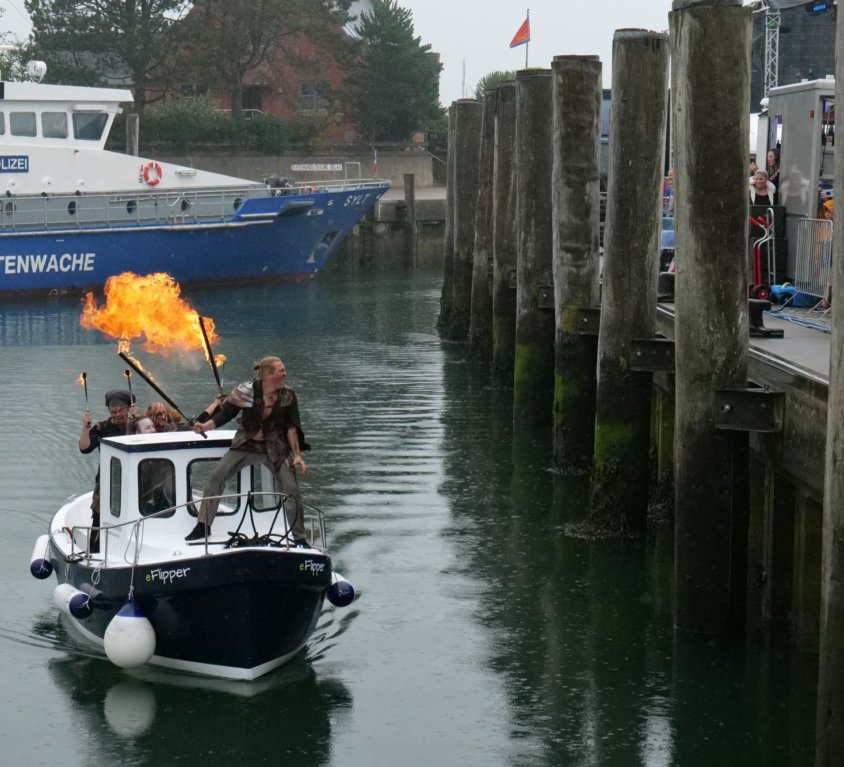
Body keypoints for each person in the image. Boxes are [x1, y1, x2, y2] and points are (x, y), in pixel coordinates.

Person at [185, 356, 309, 544]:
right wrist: (205, 426)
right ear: (268, 374)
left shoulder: (288, 395)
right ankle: (203, 526)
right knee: (217, 476)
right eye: (281, 370)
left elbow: (292, 427)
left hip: (275, 448)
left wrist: (298, 455)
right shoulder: (245, 391)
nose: (285, 373)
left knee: (291, 489)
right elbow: (226, 414)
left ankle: (299, 537)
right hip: (246, 444)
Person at [79, 389, 137, 551]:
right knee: (99, 517)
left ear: (128, 408)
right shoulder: (102, 427)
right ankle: (95, 551)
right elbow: (84, 448)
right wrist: (85, 427)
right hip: (107, 481)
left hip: (134, 480)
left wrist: (137, 418)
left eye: (121, 411)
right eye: (113, 411)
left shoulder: (137, 424)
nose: (117, 414)